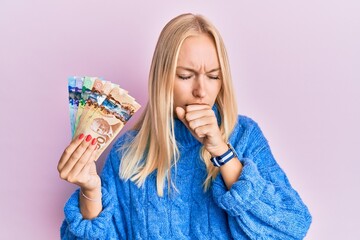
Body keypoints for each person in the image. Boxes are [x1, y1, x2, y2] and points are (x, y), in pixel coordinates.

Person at [58, 13, 312, 239]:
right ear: (163, 80)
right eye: (185, 76)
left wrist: (222, 152)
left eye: (213, 76)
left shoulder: (245, 136)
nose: (201, 91)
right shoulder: (127, 155)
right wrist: (90, 191)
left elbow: (292, 227)